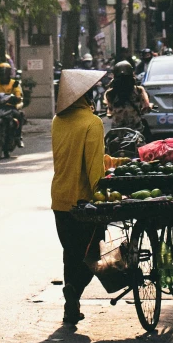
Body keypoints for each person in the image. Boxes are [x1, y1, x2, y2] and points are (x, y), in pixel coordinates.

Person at [52, 67, 107, 327]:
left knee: (69, 253)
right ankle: (74, 291)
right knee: (93, 253)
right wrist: (105, 197)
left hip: (60, 199)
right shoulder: (92, 123)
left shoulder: (58, 121)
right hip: (84, 201)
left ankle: (70, 308)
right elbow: (94, 170)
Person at [103, 60, 152, 133]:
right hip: (136, 130)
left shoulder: (109, 93)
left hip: (117, 132)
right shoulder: (139, 90)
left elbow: (110, 111)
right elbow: (146, 106)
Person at [0, 61, 24, 149]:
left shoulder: (15, 83)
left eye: (5, 73)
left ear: (9, 73)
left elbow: (18, 93)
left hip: (10, 106)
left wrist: (17, 98)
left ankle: (18, 137)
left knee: (19, 116)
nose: (3, 75)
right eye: (1, 73)